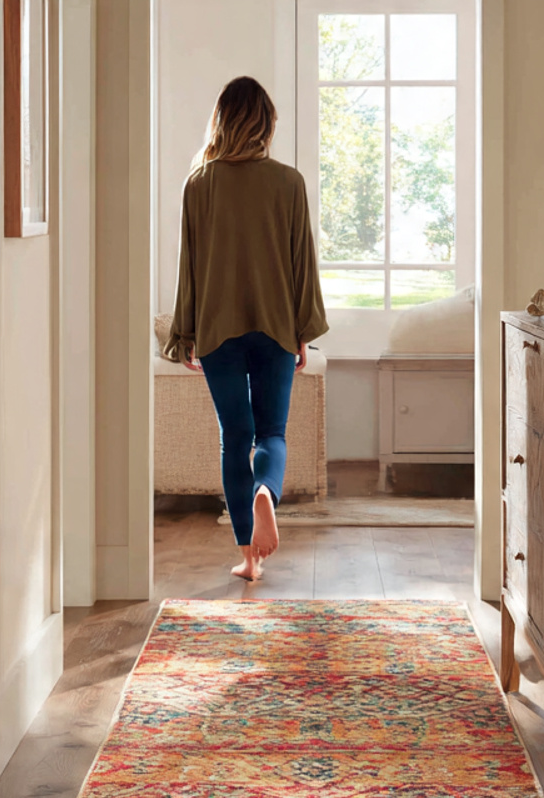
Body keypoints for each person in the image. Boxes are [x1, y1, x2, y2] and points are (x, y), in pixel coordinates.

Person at [164, 76, 327, 582]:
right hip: (276, 328)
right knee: (271, 433)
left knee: (234, 438)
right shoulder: (289, 182)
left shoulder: (200, 183)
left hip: (218, 331)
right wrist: (304, 329)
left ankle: (249, 559)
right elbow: (304, 265)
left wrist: (184, 332)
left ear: (222, 121)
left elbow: (188, 267)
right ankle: (266, 492)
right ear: (266, 125)